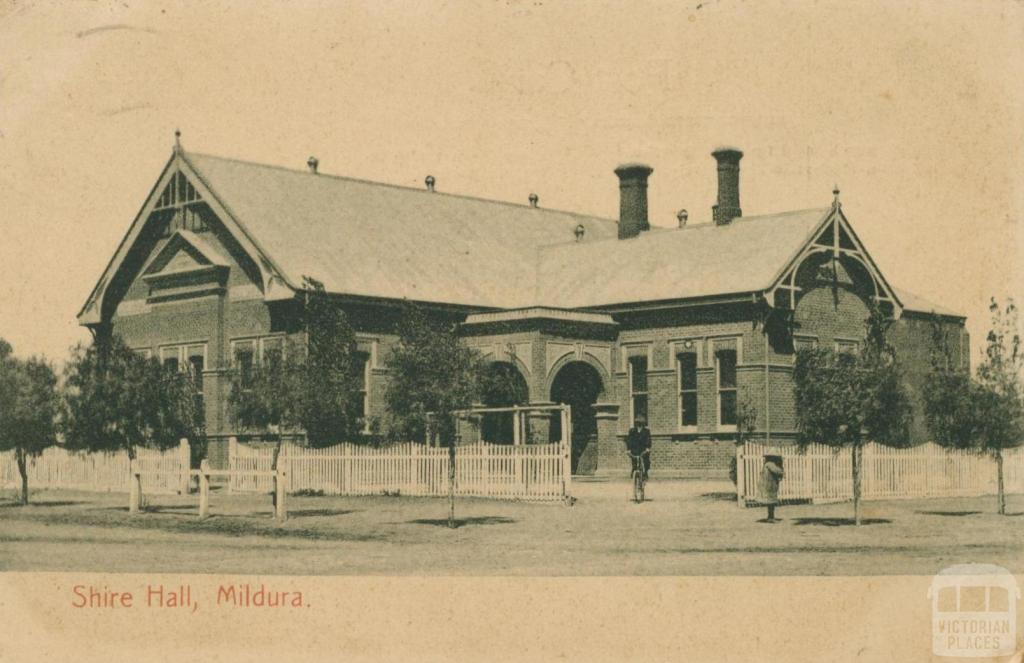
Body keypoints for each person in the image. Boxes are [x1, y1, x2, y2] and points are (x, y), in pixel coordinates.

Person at [759, 454, 784, 522]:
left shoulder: (768, 464)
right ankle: (770, 517)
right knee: (771, 502)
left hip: (770, 485)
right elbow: (778, 472)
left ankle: (771, 516)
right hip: (770, 485)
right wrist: (781, 468)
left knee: (771, 501)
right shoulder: (770, 464)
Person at [625, 416, 652, 481]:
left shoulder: (646, 431)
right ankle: (634, 472)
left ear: (643, 424)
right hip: (635, 449)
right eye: (637, 423)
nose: (639, 424)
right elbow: (629, 440)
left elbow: (648, 440)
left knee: (646, 462)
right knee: (634, 462)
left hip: (643, 450)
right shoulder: (632, 431)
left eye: (641, 423)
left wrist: (648, 448)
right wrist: (628, 449)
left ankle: (645, 473)